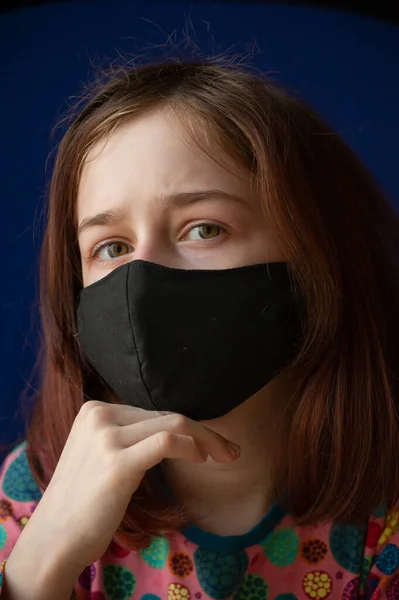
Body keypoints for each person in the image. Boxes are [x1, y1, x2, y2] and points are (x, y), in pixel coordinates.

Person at [0, 56, 399, 600]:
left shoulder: (386, 519)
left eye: (203, 228)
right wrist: (40, 567)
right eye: (111, 247)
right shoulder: (29, 498)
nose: (141, 280)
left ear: (317, 256)